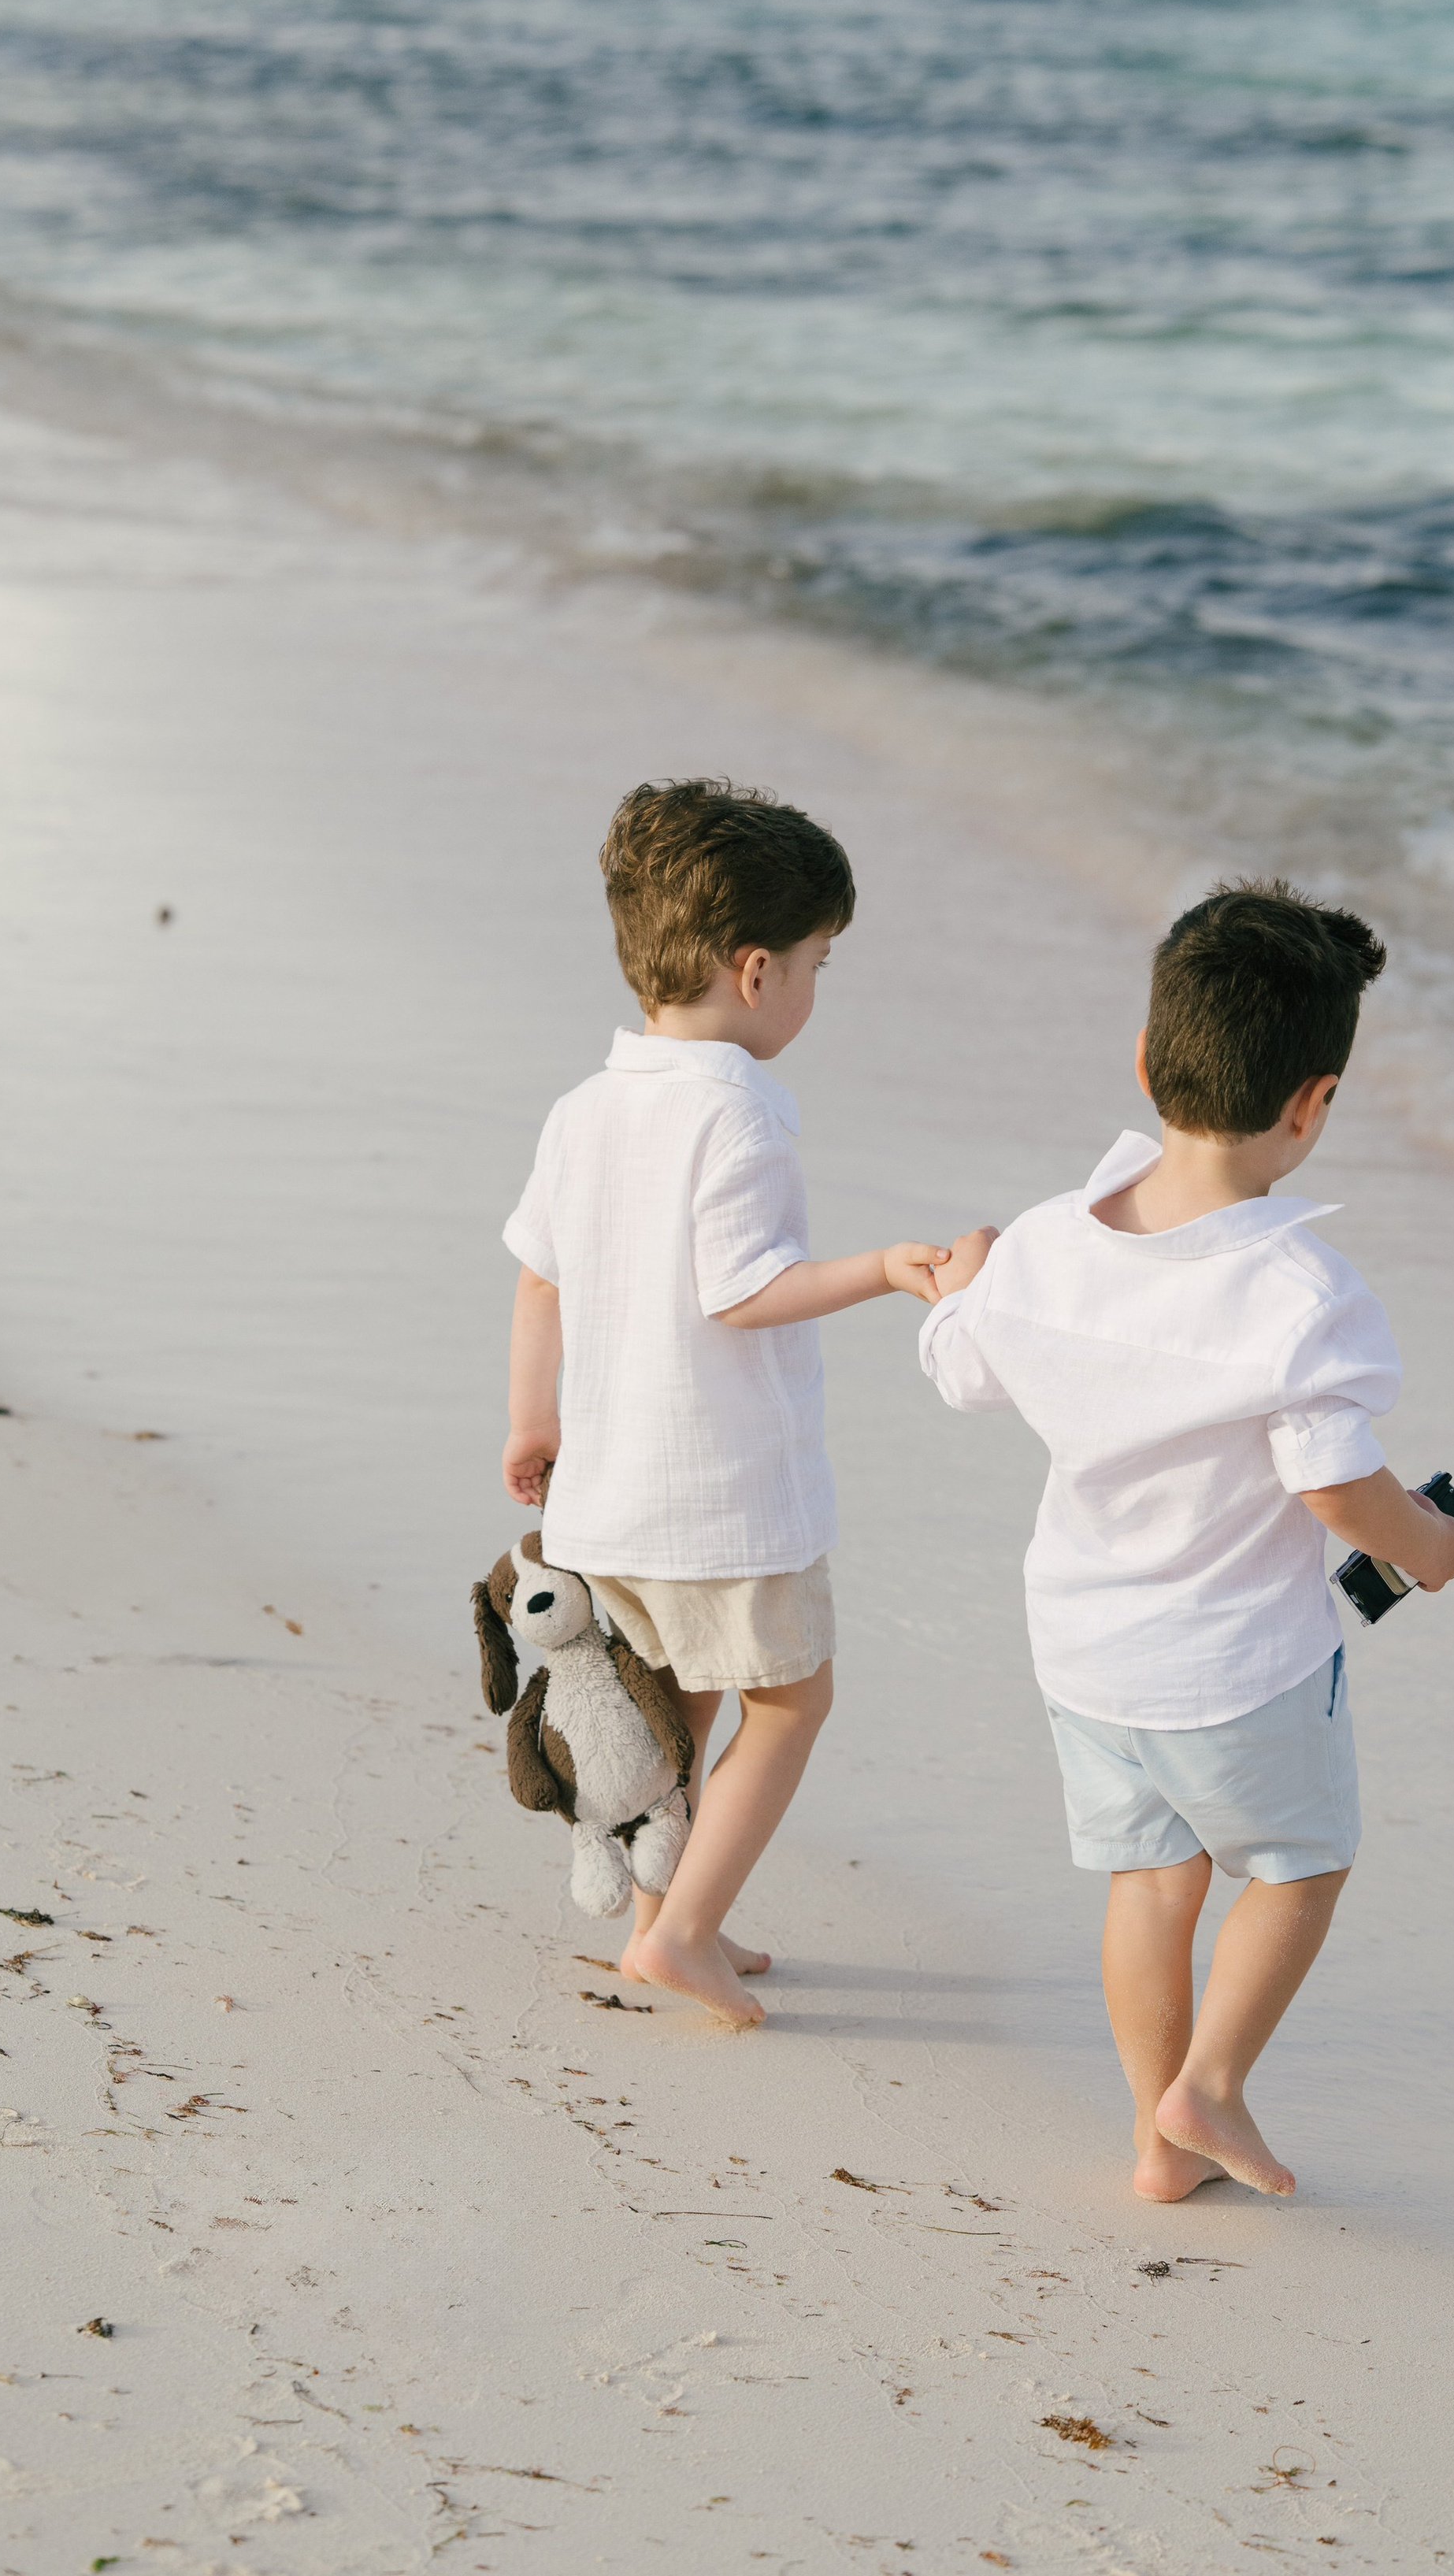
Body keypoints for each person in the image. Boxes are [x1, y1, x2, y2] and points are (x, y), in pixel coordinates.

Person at [920, 881, 1454, 2199]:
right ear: (1312, 1102)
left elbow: (961, 1369)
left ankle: (1152, 2139)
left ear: (1145, 1057)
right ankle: (1211, 2088)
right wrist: (1430, 1544)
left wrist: (965, 1281)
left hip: (1083, 1649)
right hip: (1238, 1665)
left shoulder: (1052, 1243)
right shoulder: (1300, 1292)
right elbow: (1339, 1489)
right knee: (1299, 1864)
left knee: (1151, 1880)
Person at [501, 777, 959, 2028]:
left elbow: (540, 1273)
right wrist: (883, 1267)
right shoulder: (740, 1115)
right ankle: (685, 1932)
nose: (818, 986)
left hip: (604, 1488)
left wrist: (530, 1423)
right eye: (820, 962)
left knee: (673, 1702)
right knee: (787, 1699)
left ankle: (663, 1907)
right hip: (719, 1496)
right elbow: (743, 1291)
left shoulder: (584, 1108)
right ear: (756, 973)